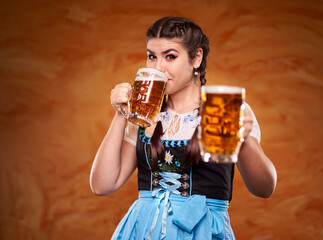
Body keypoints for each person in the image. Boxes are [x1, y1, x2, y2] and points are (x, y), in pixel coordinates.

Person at [90, 16, 277, 240]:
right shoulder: (145, 113)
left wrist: (243, 139)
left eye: (170, 56)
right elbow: (102, 185)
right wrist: (121, 114)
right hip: (142, 229)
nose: (158, 67)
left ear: (196, 58)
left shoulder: (223, 109)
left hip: (202, 230)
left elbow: (264, 189)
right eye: (152, 56)